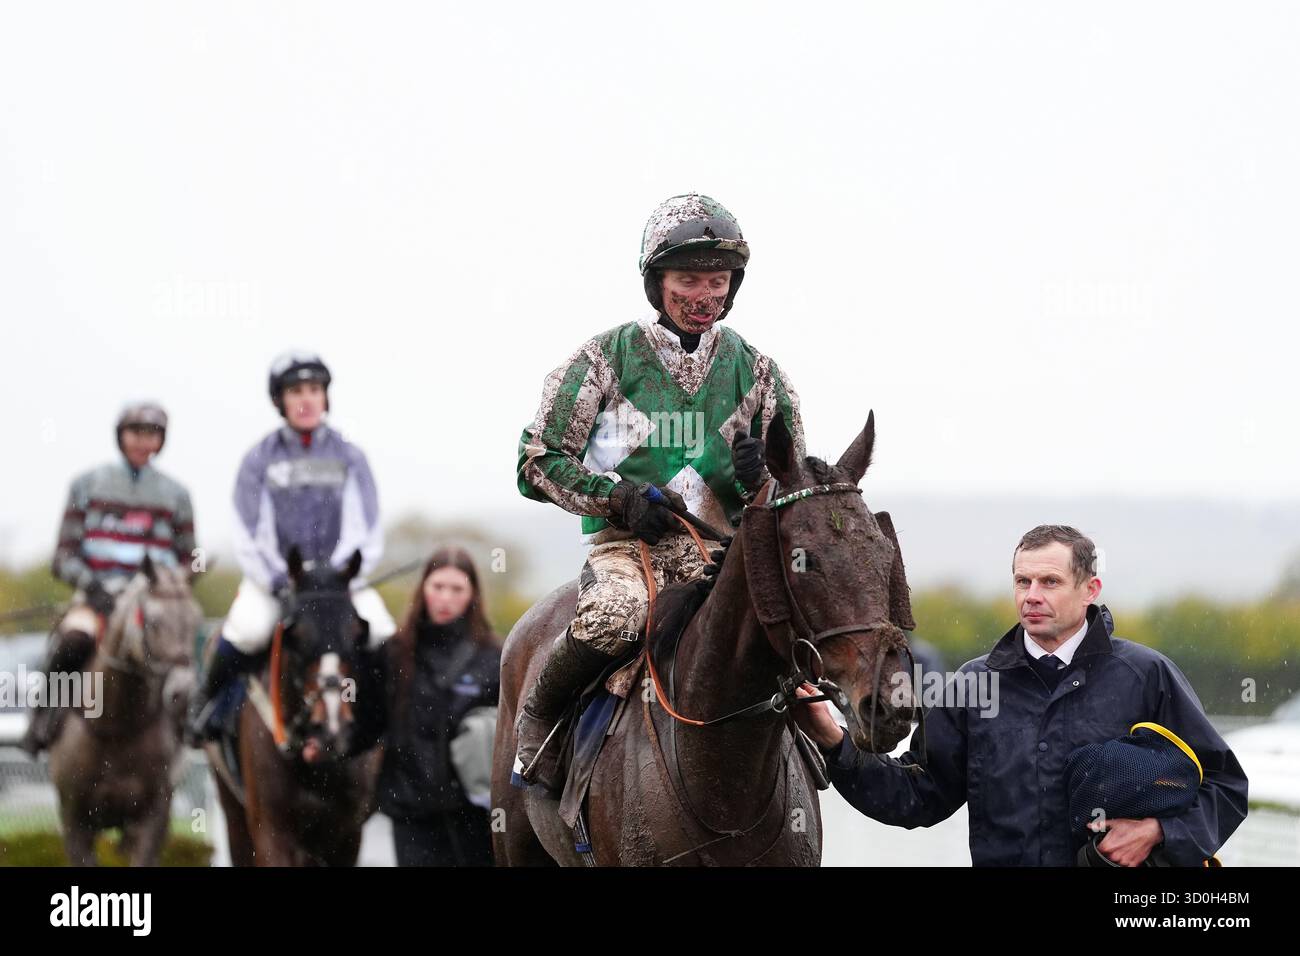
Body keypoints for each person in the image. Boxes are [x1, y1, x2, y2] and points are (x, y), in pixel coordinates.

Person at [512, 193, 805, 788]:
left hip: (725, 556)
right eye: (688, 278)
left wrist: (762, 484)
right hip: (629, 551)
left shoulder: (763, 374)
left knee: (798, 625)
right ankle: (539, 718)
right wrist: (615, 499)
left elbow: (797, 494)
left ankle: (834, 747)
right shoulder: (601, 359)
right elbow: (536, 462)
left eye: (717, 281)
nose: (704, 296)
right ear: (656, 282)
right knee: (615, 618)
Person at [794, 524, 1250, 866]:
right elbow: (917, 793)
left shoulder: (1146, 675)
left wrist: (1159, 831)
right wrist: (835, 741)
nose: (1031, 595)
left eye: (1049, 582)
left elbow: (1226, 786)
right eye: (1022, 581)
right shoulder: (974, 686)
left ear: (1090, 589)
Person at [186, 351, 396, 742]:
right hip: (278, 581)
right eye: (296, 390)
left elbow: (364, 528)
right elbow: (249, 534)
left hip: (338, 584)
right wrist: (280, 581)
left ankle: (391, 720)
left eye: (314, 390)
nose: (306, 399)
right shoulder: (258, 460)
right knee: (248, 629)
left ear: (325, 397)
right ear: (280, 400)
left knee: (382, 631)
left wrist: (333, 577)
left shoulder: (351, 457)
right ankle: (206, 707)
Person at [21, 402, 196, 755]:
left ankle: (190, 732)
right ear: (121, 436)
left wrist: (177, 582)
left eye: (152, 434)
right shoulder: (87, 485)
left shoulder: (177, 495)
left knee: (178, 654)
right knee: (72, 641)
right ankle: (43, 721)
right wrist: (93, 587)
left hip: (152, 602)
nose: (143, 442)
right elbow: (63, 557)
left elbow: (192, 557)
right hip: (97, 596)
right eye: (136, 433)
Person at [360, 547, 501, 866]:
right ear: (423, 589)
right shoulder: (392, 653)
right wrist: (322, 747)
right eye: (438, 587)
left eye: (457, 589)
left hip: (475, 815)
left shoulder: (496, 656)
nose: (446, 598)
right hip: (411, 812)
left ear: (472, 594)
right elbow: (367, 726)